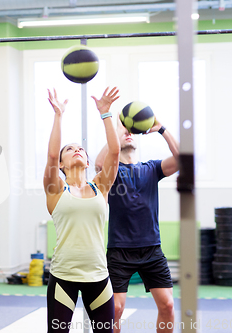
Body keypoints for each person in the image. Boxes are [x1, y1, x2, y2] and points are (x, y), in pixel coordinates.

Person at [44, 87, 120, 333]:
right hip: (63, 276)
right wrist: (58, 115)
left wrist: (106, 114)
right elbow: (52, 155)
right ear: (62, 164)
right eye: (70, 149)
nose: (76, 150)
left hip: (98, 275)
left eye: (80, 149)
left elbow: (115, 152)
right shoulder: (56, 188)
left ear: (88, 162)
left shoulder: (101, 186)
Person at [95, 116, 179, 333]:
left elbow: (182, 160)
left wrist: (161, 129)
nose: (128, 133)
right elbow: (98, 163)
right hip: (119, 251)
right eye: (124, 132)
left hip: (151, 249)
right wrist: (117, 130)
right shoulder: (111, 173)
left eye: (130, 132)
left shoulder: (151, 168)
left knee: (168, 305)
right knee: (114, 308)